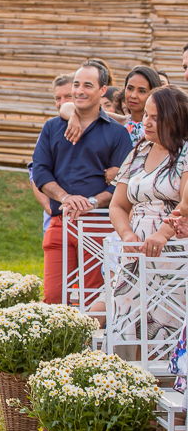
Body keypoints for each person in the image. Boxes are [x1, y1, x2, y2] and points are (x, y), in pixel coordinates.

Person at [32, 61, 134, 306]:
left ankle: (88, 345)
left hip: (99, 225)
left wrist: (92, 202)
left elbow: (123, 183)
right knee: (54, 298)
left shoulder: (118, 134)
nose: (79, 90)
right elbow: (41, 171)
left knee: (93, 298)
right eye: (76, 84)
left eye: (88, 85)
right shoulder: (52, 127)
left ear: (102, 90)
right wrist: (66, 197)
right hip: (61, 221)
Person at [109, 86, 188, 351]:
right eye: (146, 115)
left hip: (172, 253)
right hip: (134, 252)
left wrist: (163, 234)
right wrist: (127, 235)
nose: (147, 122)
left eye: (156, 117)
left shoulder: (185, 154)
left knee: (166, 326)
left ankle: (168, 387)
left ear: (175, 119)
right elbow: (118, 205)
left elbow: (187, 203)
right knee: (125, 321)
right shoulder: (137, 153)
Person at [30, 74, 75, 231]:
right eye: (58, 98)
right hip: (56, 220)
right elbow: (36, 171)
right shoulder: (50, 129)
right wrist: (50, 207)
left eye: (68, 96)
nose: (62, 103)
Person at [121, 65, 163, 145]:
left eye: (142, 91)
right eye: (130, 88)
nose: (133, 95)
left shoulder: (160, 130)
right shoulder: (115, 123)